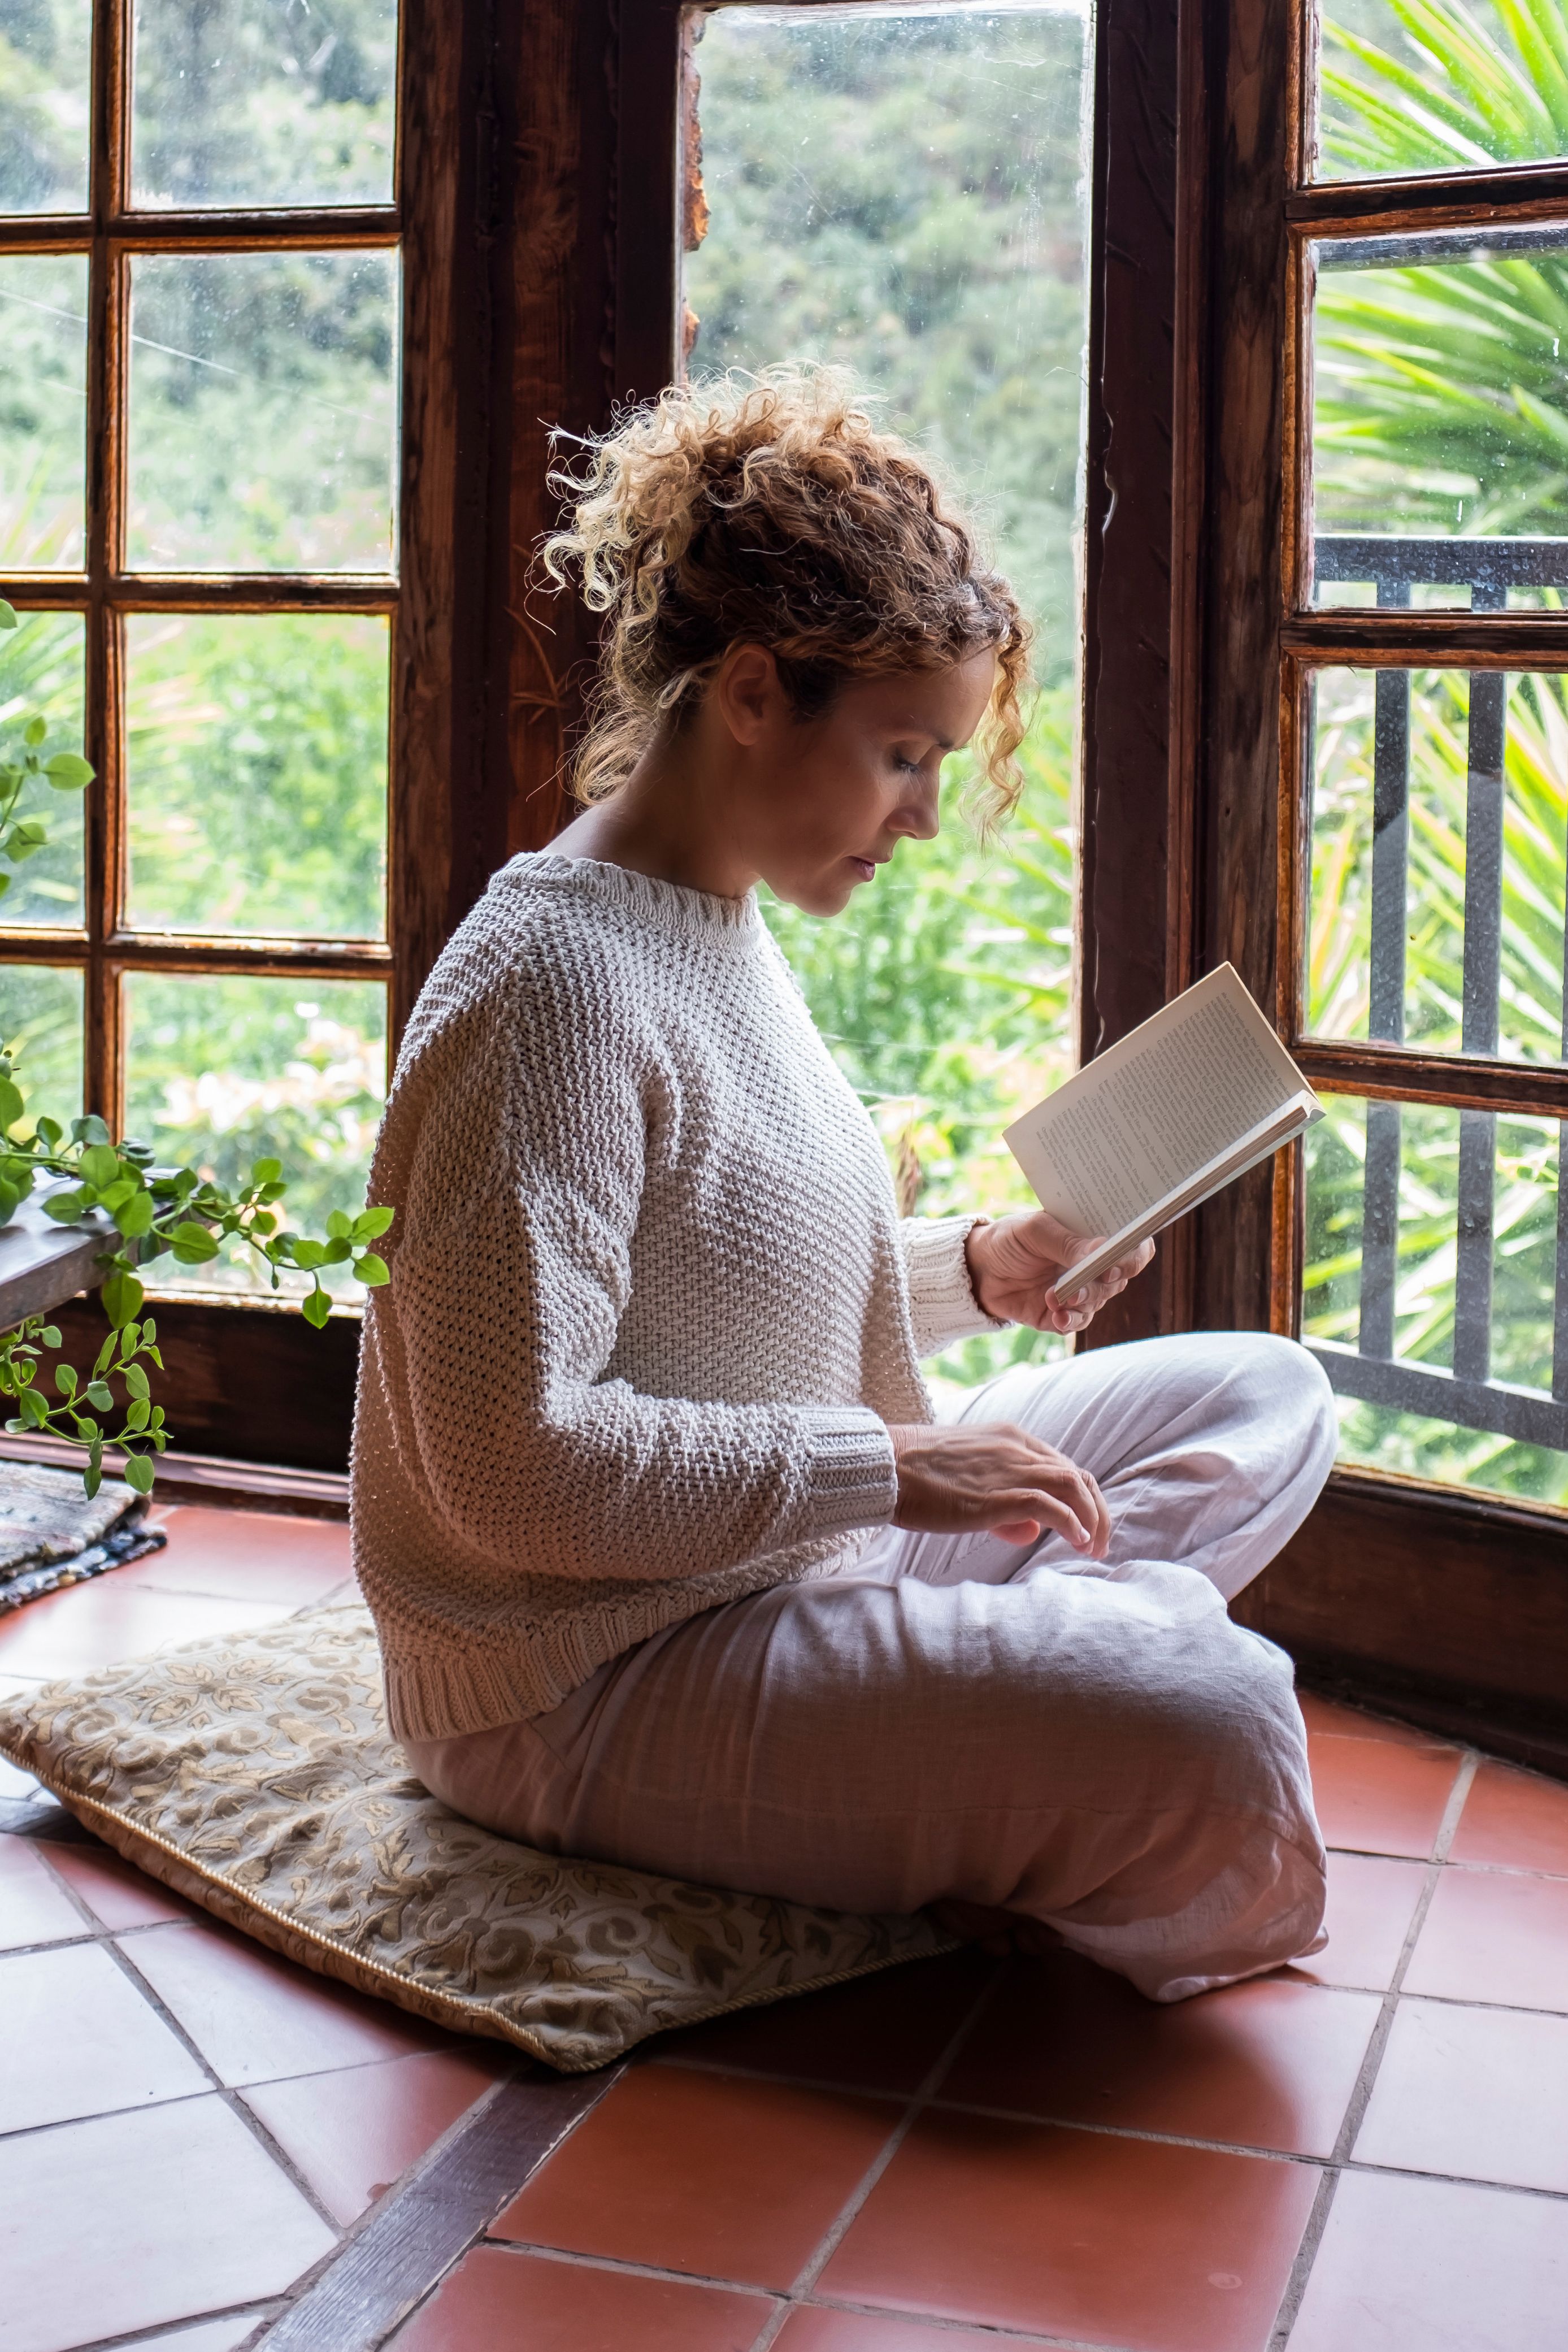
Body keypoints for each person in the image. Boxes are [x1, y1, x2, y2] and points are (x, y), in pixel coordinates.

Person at [351, 368, 1336, 2002]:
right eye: (901, 755)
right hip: (585, 1672)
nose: (926, 818)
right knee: (1221, 1719)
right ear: (751, 692)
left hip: (788, 1556)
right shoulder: (548, 990)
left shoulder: (713, 917)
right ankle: (1053, 1688)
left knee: (1266, 1391)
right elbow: (511, 1471)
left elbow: (716, 1256)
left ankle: (1015, 1692)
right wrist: (890, 1468)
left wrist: (980, 1266)